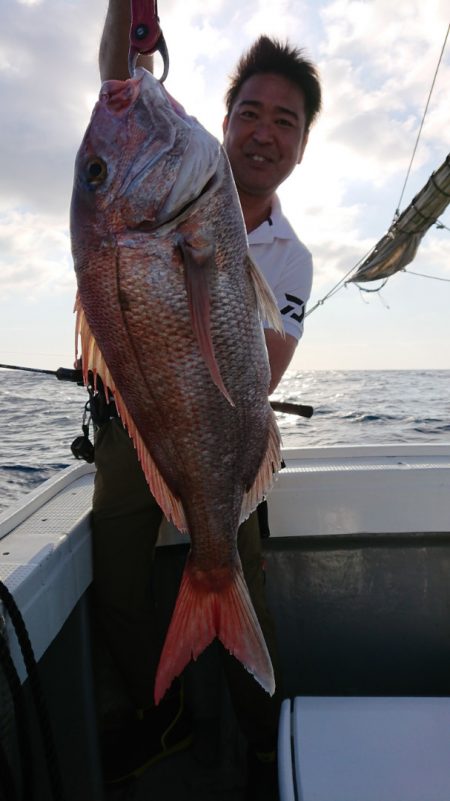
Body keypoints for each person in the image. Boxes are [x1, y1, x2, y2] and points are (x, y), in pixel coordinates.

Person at [90, 5, 321, 798]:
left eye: (283, 122)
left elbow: (265, 374)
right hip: (137, 422)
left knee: (237, 569)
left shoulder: (293, 257)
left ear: (300, 144)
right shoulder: (182, 181)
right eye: (248, 112)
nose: (262, 132)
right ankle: (168, 717)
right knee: (114, 579)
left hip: (227, 427)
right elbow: (119, 81)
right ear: (222, 122)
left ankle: (263, 741)